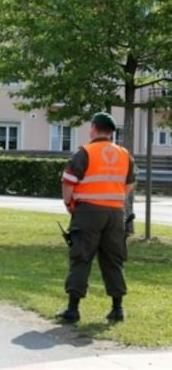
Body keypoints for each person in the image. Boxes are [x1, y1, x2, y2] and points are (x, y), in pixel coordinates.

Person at [56, 112, 135, 324]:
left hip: (88, 212)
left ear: (93, 128)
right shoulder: (124, 154)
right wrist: (115, 199)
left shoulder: (85, 152)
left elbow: (68, 181)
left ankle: (73, 310)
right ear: (111, 132)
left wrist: (69, 203)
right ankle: (117, 309)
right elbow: (130, 184)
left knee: (81, 257)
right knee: (113, 260)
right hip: (115, 214)